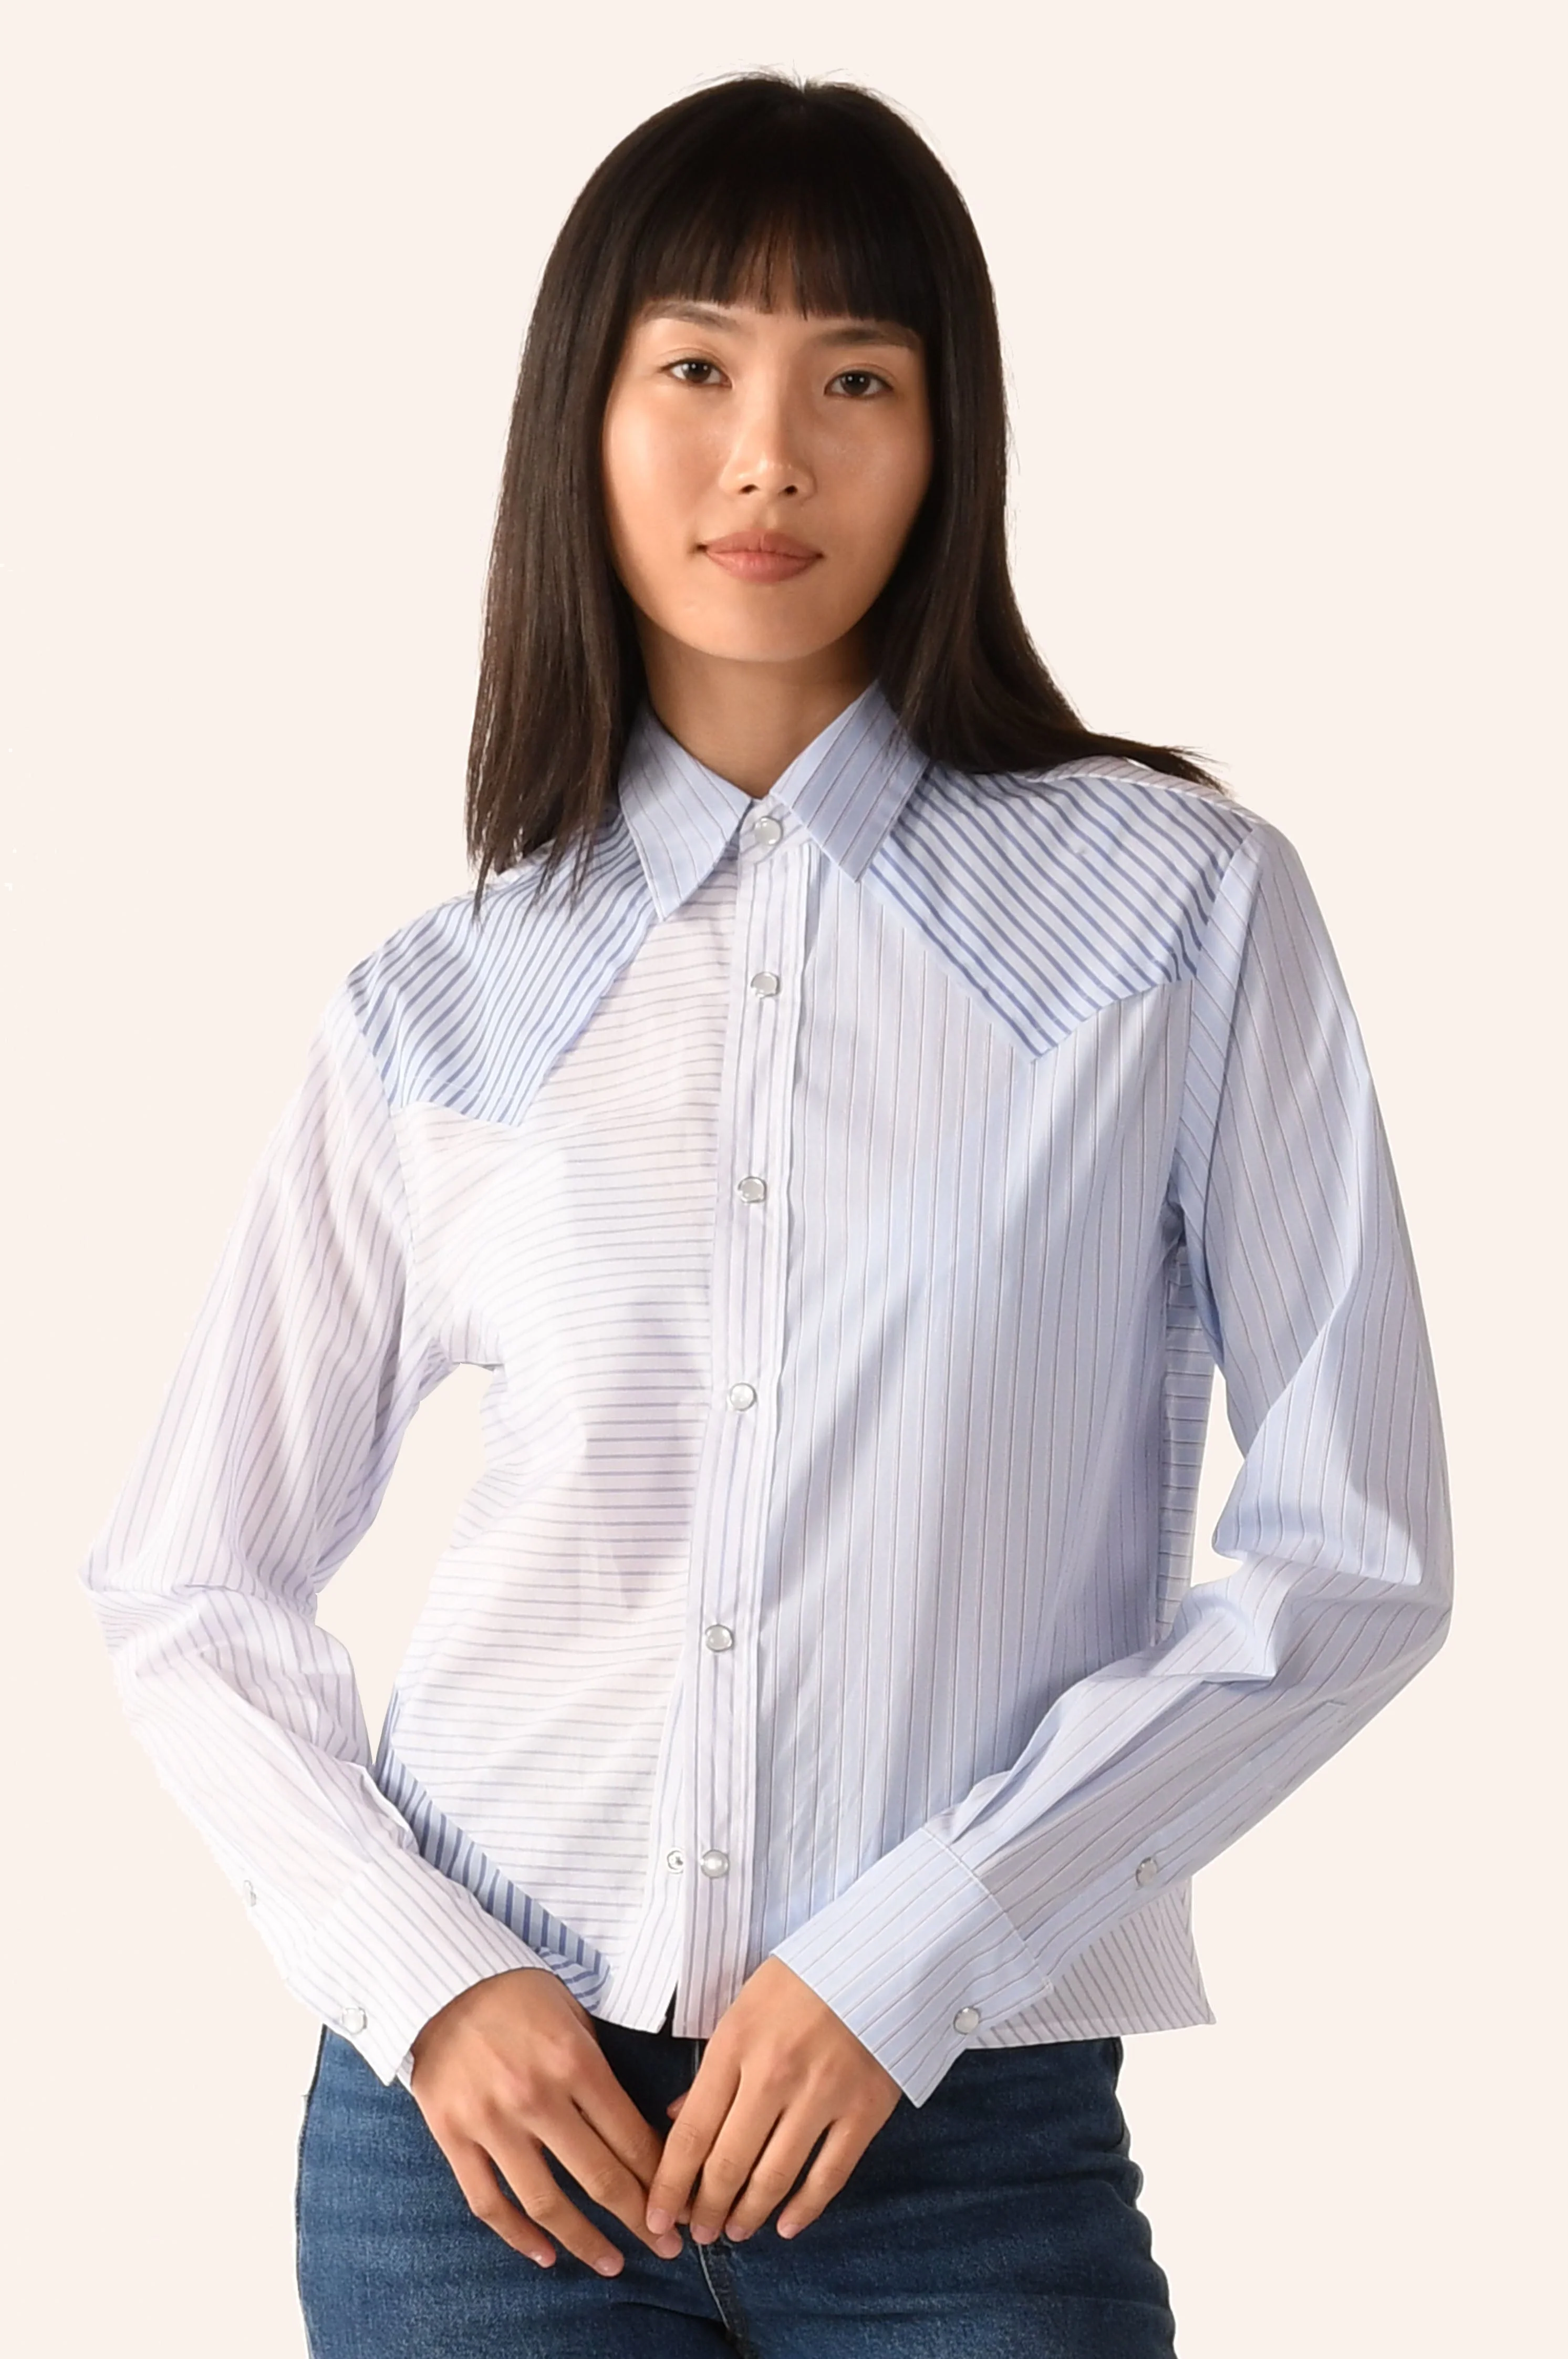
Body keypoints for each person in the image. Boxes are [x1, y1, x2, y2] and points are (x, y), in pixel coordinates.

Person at [80, 70, 1452, 2359]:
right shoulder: (443, 999)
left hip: (956, 2140)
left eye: (857, 382)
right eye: (697, 367)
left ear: (948, 437)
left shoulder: (1176, 913)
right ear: (586, 418)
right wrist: (429, 1981)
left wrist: (924, 1947)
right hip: (477, 2165)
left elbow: (1357, 1553)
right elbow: (189, 1583)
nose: (768, 459)